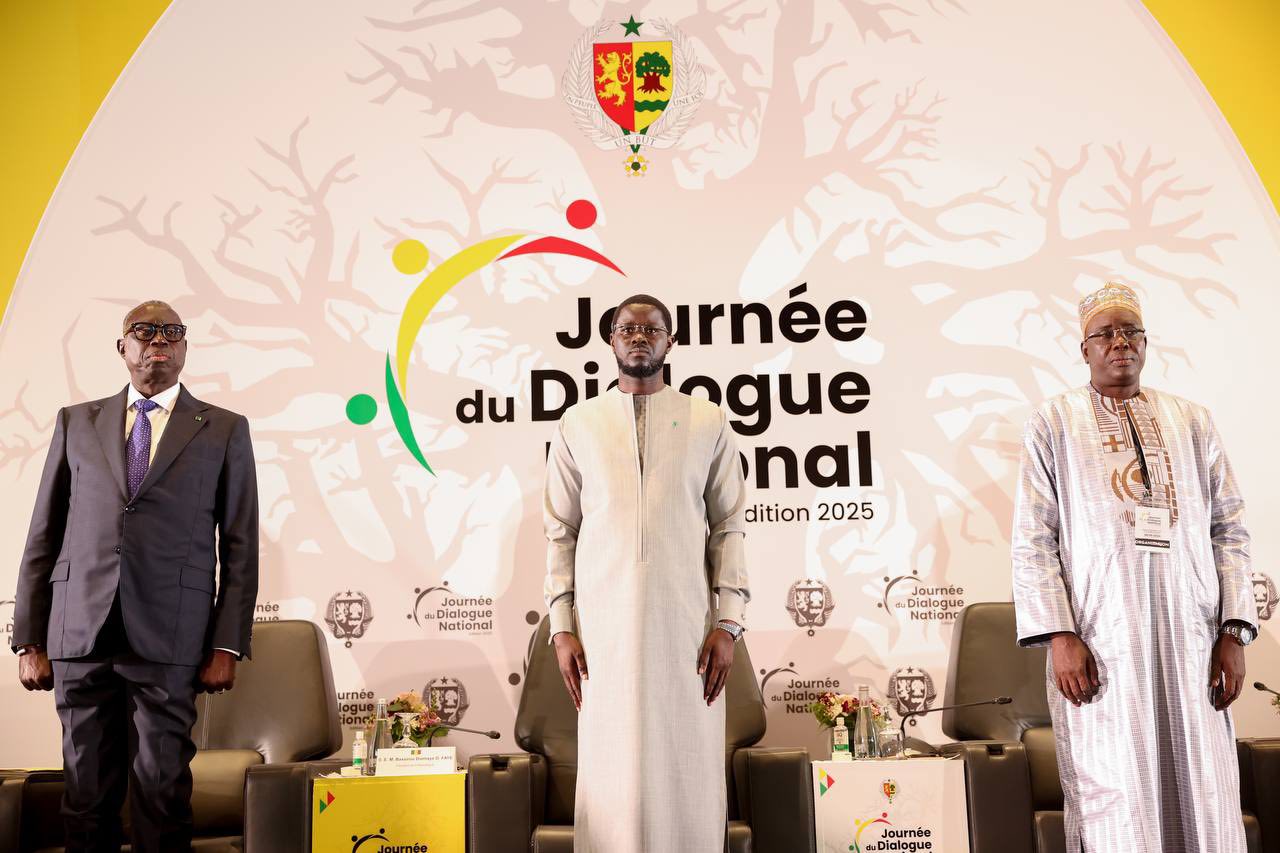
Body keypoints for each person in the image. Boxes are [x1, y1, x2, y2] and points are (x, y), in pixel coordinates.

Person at [1012, 281, 1255, 852]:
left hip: (1193, 643)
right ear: (1085, 349)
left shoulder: (1192, 421)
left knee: (1204, 789)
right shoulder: (1054, 423)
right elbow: (1033, 539)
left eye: (1131, 332)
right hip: (1104, 643)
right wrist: (1061, 637)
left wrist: (1233, 633)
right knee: (1115, 788)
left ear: (1145, 343)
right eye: (1105, 334)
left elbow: (1230, 529)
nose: (1119, 342)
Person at [12, 301, 259, 853]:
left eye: (172, 332)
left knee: (161, 795)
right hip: (79, 634)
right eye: (144, 331)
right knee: (84, 799)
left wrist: (226, 645)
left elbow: (240, 546)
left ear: (185, 347)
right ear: (122, 347)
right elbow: (43, 534)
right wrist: (29, 638)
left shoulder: (223, 429)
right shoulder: (76, 421)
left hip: (171, 635)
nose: (158, 341)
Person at [543, 294, 749, 852]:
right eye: (627, 328)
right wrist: (561, 627)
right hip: (603, 636)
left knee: (687, 766)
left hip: (687, 630)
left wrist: (728, 623)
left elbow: (729, 525)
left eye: (651, 329)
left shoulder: (707, 420)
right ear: (611, 339)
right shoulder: (579, 423)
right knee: (612, 771)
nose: (639, 337)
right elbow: (561, 530)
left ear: (670, 342)